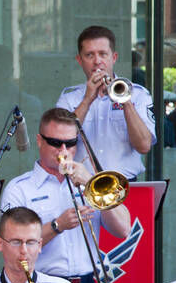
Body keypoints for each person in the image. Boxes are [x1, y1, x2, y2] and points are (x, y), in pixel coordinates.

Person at [0, 107, 132, 283]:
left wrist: (90, 182)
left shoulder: (88, 182)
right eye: (55, 142)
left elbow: (123, 229)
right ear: (39, 141)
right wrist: (57, 226)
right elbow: (13, 247)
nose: (64, 149)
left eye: (71, 143)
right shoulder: (20, 188)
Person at [56, 25, 156, 181]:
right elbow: (60, 141)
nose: (97, 61)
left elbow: (144, 146)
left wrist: (125, 102)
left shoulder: (138, 94)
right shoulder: (69, 98)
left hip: (124, 186)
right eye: (89, 55)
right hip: (82, 187)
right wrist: (88, 99)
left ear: (113, 58)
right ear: (79, 60)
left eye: (103, 54)